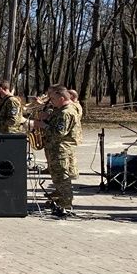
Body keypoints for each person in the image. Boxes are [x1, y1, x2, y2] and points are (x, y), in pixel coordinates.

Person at [38, 87, 81, 217]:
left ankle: (65, 204)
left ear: (62, 98)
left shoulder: (66, 112)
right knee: (57, 176)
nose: (51, 101)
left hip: (61, 148)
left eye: (53, 99)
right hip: (55, 148)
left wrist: (43, 125)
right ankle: (60, 199)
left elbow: (59, 133)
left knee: (62, 177)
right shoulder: (60, 110)